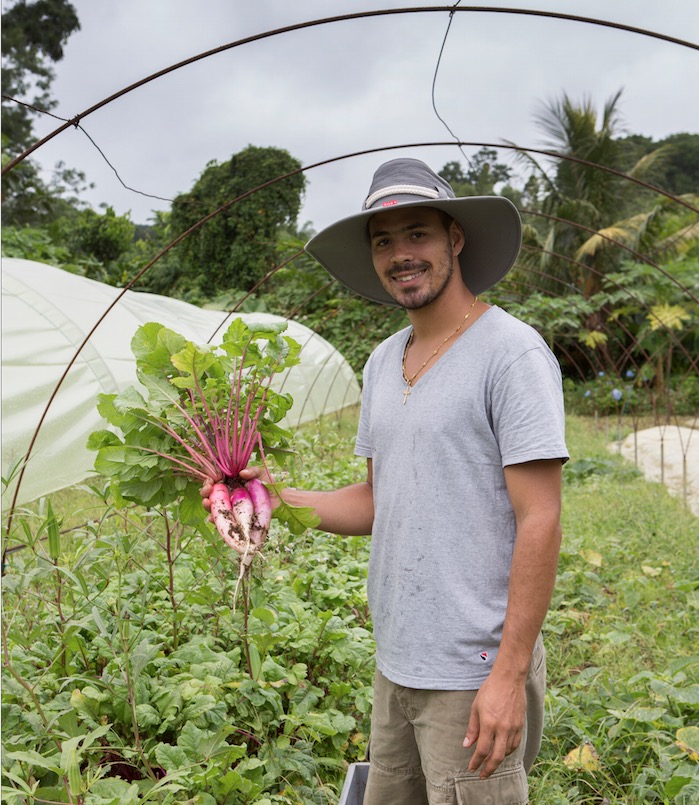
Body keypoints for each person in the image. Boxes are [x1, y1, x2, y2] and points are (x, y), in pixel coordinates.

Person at [206, 157, 569, 804]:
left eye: (417, 234)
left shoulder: (509, 353)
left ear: (454, 237)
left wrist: (508, 674)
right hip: (396, 656)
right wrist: (268, 496)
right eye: (382, 240)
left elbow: (539, 516)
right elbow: (375, 500)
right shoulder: (380, 362)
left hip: (472, 667)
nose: (400, 254)